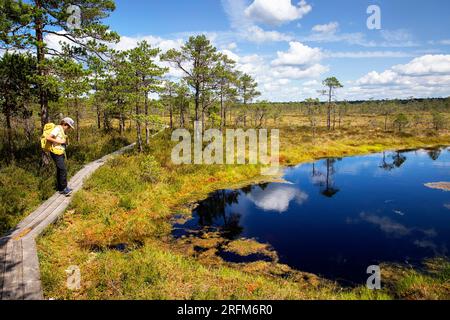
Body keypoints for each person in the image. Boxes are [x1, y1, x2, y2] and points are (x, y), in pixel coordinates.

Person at [46, 118, 75, 196]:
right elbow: (48, 137)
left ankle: (60, 188)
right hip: (56, 152)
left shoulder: (61, 130)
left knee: (60, 170)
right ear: (65, 124)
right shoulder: (57, 129)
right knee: (63, 170)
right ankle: (64, 188)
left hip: (60, 152)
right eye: (69, 127)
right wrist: (60, 142)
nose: (69, 129)